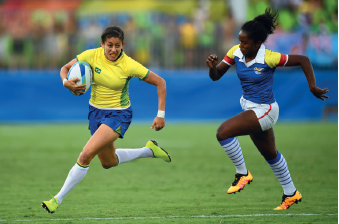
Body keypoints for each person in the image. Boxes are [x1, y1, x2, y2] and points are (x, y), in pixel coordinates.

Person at [206, 7, 329, 210]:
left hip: (265, 110)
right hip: (250, 108)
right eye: (239, 40)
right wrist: (212, 66)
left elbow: (303, 60)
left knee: (223, 133)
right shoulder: (235, 52)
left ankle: (243, 173)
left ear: (257, 43)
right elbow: (216, 76)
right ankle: (291, 193)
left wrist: (312, 86)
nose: (240, 45)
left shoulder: (269, 57)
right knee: (270, 154)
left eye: (245, 42)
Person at [42, 25, 171, 213]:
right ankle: (148, 150)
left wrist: (160, 115)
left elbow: (161, 82)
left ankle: (57, 199)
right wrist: (65, 82)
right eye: (109, 45)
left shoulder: (129, 65)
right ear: (102, 44)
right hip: (95, 113)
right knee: (108, 162)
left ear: (123, 45)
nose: (113, 49)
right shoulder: (91, 55)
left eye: (117, 45)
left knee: (86, 155)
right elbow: (65, 68)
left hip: (119, 114)